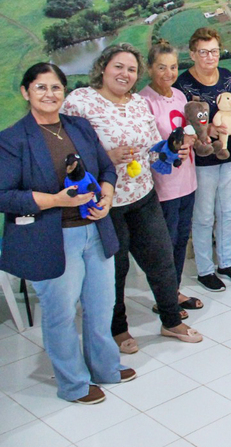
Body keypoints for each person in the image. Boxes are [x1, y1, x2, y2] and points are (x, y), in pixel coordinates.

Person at [0, 63, 132, 405]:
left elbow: (105, 167)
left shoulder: (79, 126)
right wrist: (55, 200)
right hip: (53, 236)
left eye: (56, 87)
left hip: (95, 229)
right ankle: (73, 383)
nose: (49, 94)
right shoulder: (13, 139)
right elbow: (4, 195)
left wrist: (107, 194)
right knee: (60, 313)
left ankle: (105, 367)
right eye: (41, 87)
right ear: (26, 92)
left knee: (101, 306)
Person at [64, 44, 202, 353]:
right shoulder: (81, 101)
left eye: (131, 69)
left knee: (162, 259)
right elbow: (64, 150)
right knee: (116, 270)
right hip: (105, 203)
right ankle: (118, 329)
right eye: (118, 66)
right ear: (103, 67)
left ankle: (171, 321)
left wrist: (173, 148)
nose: (124, 74)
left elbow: (154, 148)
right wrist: (105, 157)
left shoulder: (139, 103)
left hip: (142, 194)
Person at [174, 27, 231, 292]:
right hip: (201, 158)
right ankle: (205, 269)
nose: (210, 57)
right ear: (193, 54)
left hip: (228, 154)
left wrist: (226, 127)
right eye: (203, 52)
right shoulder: (182, 84)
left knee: (228, 210)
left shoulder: (226, 76)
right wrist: (207, 131)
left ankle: (226, 263)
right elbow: (179, 122)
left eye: (214, 51)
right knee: (204, 215)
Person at [139, 40, 203, 318]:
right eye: (162, 67)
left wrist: (192, 137)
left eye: (173, 67)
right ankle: (164, 298)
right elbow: (148, 146)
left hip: (187, 179)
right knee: (164, 244)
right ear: (150, 68)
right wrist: (173, 145)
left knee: (180, 240)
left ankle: (173, 291)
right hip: (164, 184)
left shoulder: (179, 96)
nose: (168, 73)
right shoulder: (143, 101)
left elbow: (187, 127)